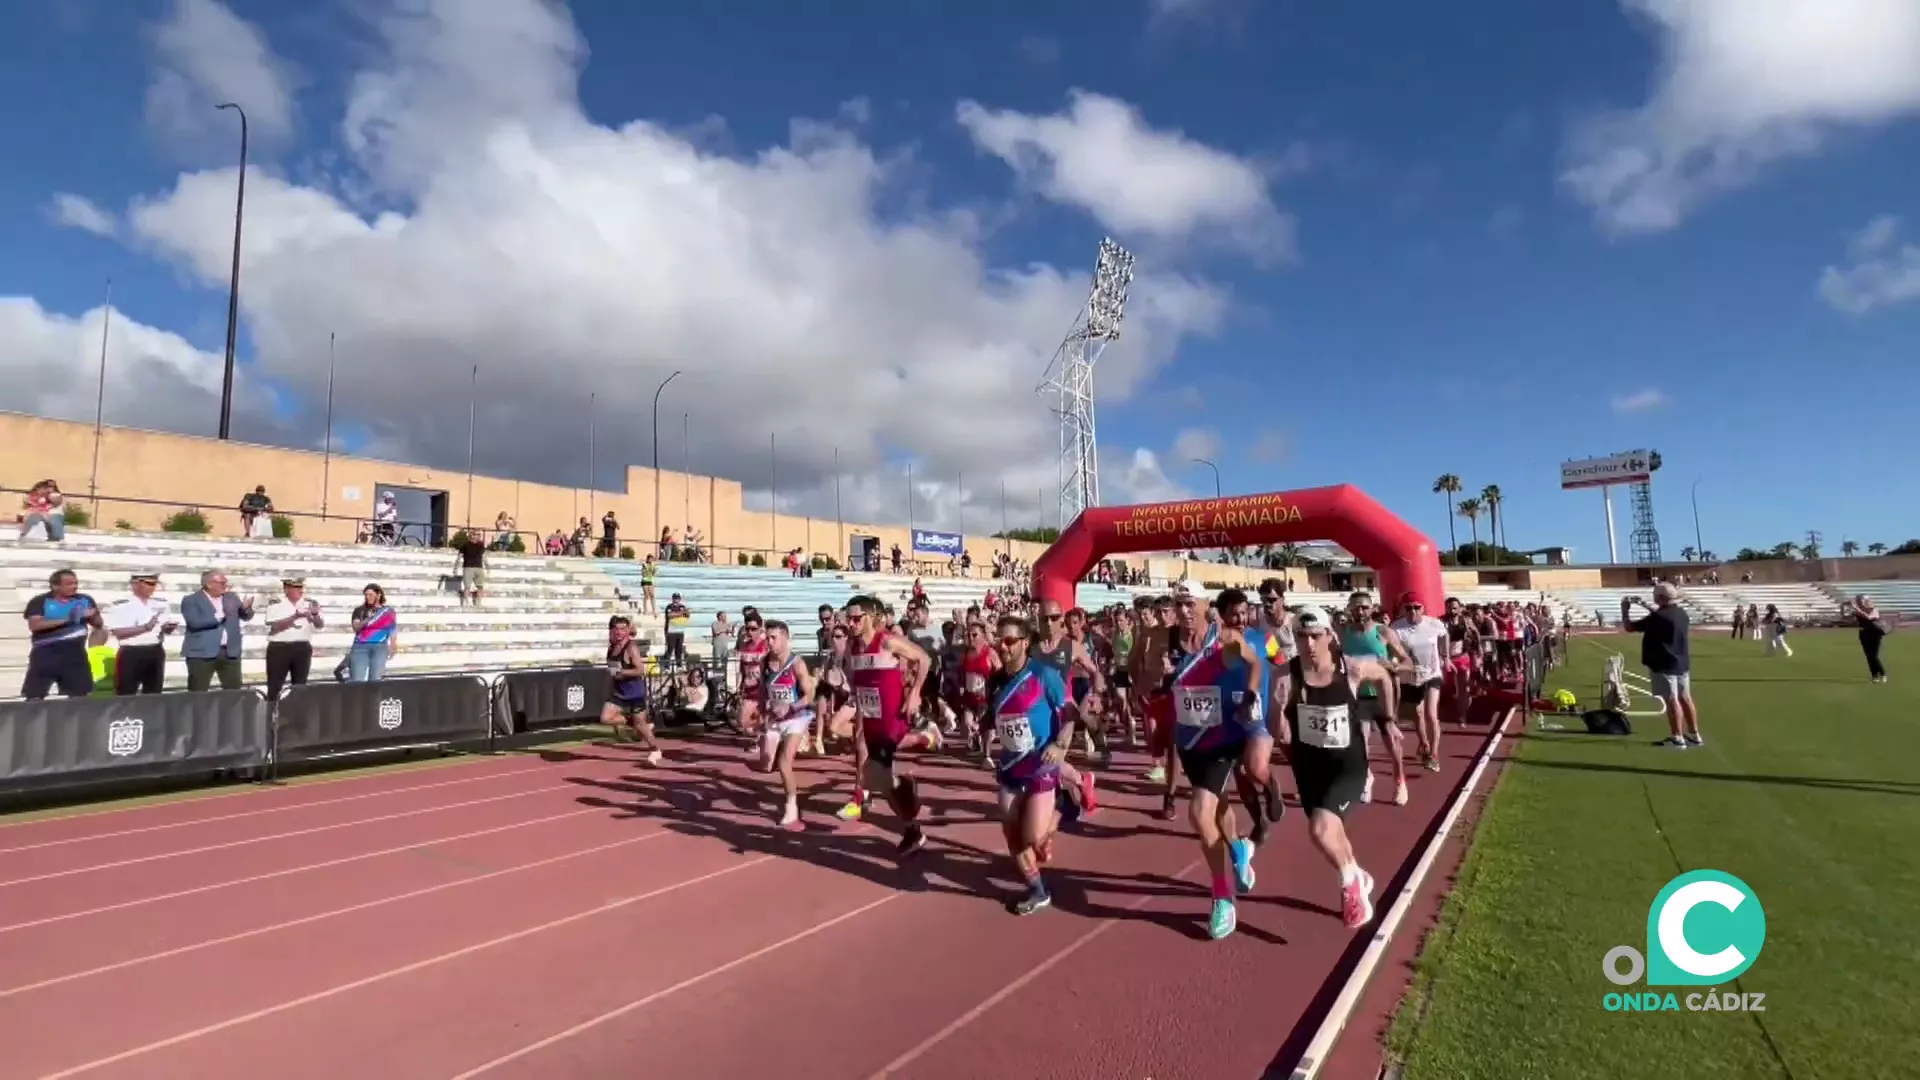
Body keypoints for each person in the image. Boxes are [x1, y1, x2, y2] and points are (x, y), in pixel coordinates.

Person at [1284, 606, 1394, 929]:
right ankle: (1357, 874)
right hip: (1309, 766)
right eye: (1301, 636)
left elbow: (1384, 677)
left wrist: (1388, 719)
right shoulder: (1286, 673)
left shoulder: (1351, 668)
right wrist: (1275, 712)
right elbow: (1275, 717)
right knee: (1332, 831)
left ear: (1330, 636)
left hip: (1348, 764)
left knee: (1320, 829)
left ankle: (1351, 885)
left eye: (1315, 636)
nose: (1308, 644)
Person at [1168, 588, 1266, 941]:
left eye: (1190, 603)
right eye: (1178, 604)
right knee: (1217, 802)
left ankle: (1222, 897)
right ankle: (1238, 847)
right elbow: (1144, 678)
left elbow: (1255, 663)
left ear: (1205, 606)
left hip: (1221, 738)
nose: (1184, 610)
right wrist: (1156, 676)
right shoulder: (1165, 640)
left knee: (1199, 812)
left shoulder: (1223, 638)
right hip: (1189, 739)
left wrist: (1250, 695)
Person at [987, 614, 1078, 916]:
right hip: (1011, 766)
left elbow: (1071, 713)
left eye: (1009, 641)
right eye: (999, 640)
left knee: (1034, 840)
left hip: (1041, 765)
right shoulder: (996, 680)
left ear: (1025, 643)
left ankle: (1064, 805)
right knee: (1011, 831)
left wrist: (1060, 744)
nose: (1003, 646)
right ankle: (1038, 890)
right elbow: (995, 716)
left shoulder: (1043, 675)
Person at [837, 594, 938, 854]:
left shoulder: (887, 641)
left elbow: (924, 659)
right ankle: (912, 828)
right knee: (878, 782)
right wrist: (860, 719)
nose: (851, 623)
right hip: (871, 718)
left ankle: (906, 792)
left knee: (875, 775)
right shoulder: (852, 647)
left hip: (892, 718)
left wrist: (915, 693)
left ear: (872, 618)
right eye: (849, 618)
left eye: (856, 618)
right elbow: (858, 683)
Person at [1341, 592, 1414, 805]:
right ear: (1350, 609)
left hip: (1383, 696)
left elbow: (1408, 662)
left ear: (1372, 609)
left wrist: (1392, 665)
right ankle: (1367, 777)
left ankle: (1400, 782)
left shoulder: (1383, 632)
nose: (1360, 611)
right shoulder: (1344, 633)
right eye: (1355, 607)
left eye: (1364, 607)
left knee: (1391, 743)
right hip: (1358, 695)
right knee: (1361, 742)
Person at [1621, 584, 1701, 748]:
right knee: (1685, 698)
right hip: (1681, 661)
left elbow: (1629, 627)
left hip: (1663, 663)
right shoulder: (1681, 613)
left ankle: (1677, 737)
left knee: (1672, 700)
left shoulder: (1658, 617)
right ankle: (1694, 734)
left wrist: (1625, 611)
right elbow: (1661, 615)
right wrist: (1645, 606)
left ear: (1661, 598)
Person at [758, 621, 818, 830]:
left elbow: (810, 696)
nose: (769, 642)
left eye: (774, 638)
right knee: (766, 765)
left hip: (797, 717)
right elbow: (763, 692)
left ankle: (791, 809)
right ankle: (799, 746)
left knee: (784, 763)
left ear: (786, 638)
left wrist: (790, 707)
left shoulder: (796, 663)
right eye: (767, 638)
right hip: (776, 719)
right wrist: (763, 714)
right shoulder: (764, 662)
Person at [1391, 592, 1450, 781]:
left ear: (1423, 608)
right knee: (1417, 713)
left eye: (1417, 607)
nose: (1413, 612)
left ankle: (1434, 755)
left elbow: (1444, 635)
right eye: (1408, 608)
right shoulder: (1397, 628)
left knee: (1431, 714)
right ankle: (1424, 743)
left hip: (1432, 674)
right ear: (1403, 609)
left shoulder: (1434, 624)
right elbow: (1392, 650)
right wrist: (1396, 664)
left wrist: (1446, 657)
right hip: (1411, 677)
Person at [21, 569, 102, 698]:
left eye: (76, 583)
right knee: (34, 695)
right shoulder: (40, 601)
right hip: (46, 654)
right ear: (55, 586)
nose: (74, 586)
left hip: (76, 655)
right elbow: (35, 625)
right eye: (69, 584)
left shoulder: (85, 599)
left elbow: (98, 625)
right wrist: (70, 618)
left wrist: (94, 615)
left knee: (80, 695)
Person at [602, 615, 664, 765]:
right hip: (619, 692)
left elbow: (640, 670)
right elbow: (612, 670)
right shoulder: (611, 647)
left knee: (641, 726)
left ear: (627, 631)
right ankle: (632, 721)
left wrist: (621, 672)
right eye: (616, 629)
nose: (619, 632)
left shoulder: (631, 648)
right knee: (605, 718)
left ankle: (655, 750)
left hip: (635, 693)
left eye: (622, 629)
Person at [1852, 595, 1889, 683]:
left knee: (1873, 656)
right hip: (1864, 634)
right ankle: (1874, 676)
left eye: (1866, 601)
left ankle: (1883, 673)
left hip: (1875, 634)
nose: (1865, 602)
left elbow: (1869, 617)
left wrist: (1857, 609)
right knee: (1868, 656)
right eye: (1862, 601)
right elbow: (1857, 619)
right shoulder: (1858, 611)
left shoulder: (1874, 610)